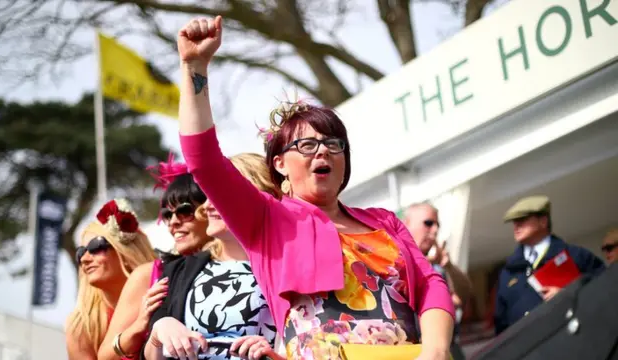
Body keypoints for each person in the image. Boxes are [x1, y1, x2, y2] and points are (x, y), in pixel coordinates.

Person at [174, 16, 454, 360]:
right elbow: (204, 161)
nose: (322, 150)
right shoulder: (267, 220)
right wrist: (195, 67)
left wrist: (436, 351)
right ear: (279, 164)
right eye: (307, 145)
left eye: (334, 144)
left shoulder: (385, 222)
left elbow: (431, 286)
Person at [142, 153, 282, 360]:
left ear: (255, 196)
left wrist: (276, 354)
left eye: (219, 194)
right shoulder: (178, 271)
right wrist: (159, 331)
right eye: (208, 195)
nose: (206, 206)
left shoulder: (287, 267)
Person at [98, 157, 213, 360]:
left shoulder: (246, 265)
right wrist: (141, 325)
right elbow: (105, 355)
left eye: (185, 211)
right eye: (167, 214)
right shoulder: (151, 274)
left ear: (211, 209)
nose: (173, 222)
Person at [494, 195, 606, 335]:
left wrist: (569, 294)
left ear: (543, 221)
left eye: (522, 220)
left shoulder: (576, 256)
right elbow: (501, 326)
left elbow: (605, 290)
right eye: (514, 222)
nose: (516, 226)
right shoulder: (508, 272)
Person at [66, 199, 158, 359]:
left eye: (96, 247)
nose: (85, 259)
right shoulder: (82, 326)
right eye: (81, 252)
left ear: (125, 249)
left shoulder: (161, 292)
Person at [404, 202, 472, 360]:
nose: (434, 230)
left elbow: (463, 297)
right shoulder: (392, 257)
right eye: (428, 223)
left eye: (437, 225)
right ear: (406, 224)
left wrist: (448, 266)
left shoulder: (438, 266)